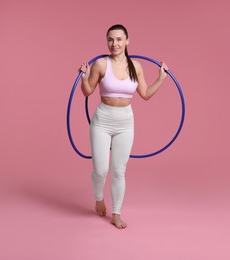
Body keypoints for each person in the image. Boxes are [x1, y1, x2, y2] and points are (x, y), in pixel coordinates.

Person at [79, 24, 168, 229]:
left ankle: (116, 212)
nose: (114, 44)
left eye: (119, 39)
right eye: (110, 39)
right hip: (102, 121)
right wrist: (84, 78)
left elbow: (145, 94)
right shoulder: (101, 64)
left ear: (127, 40)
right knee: (101, 169)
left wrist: (161, 78)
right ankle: (99, 198)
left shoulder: (136, 66)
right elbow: (87, 92)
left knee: (119, 171)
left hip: (125, 123)